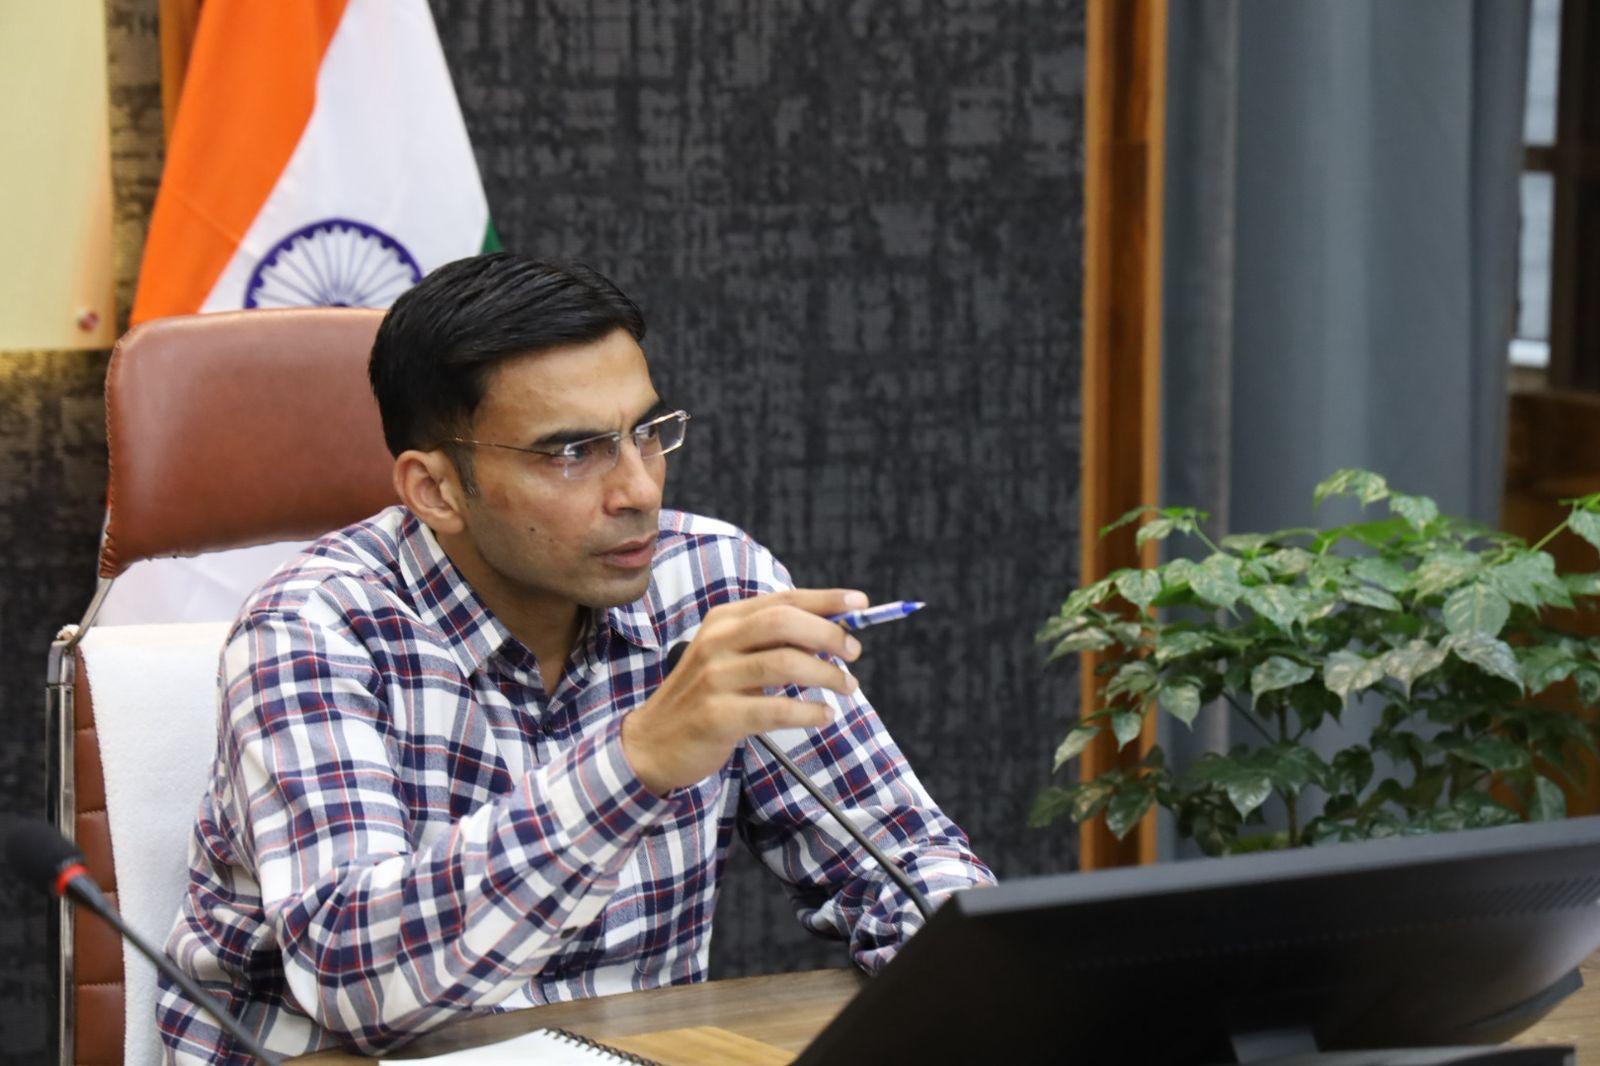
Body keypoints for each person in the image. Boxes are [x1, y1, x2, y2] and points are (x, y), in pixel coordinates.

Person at [156, 253, 995, 1063]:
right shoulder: (312, 627)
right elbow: (357, 984)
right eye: (572, 452)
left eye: (647, 434)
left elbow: (903, 860)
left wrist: (992, 978)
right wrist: (634, 763)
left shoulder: (714, 583)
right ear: (435, 490)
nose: (639, 490)